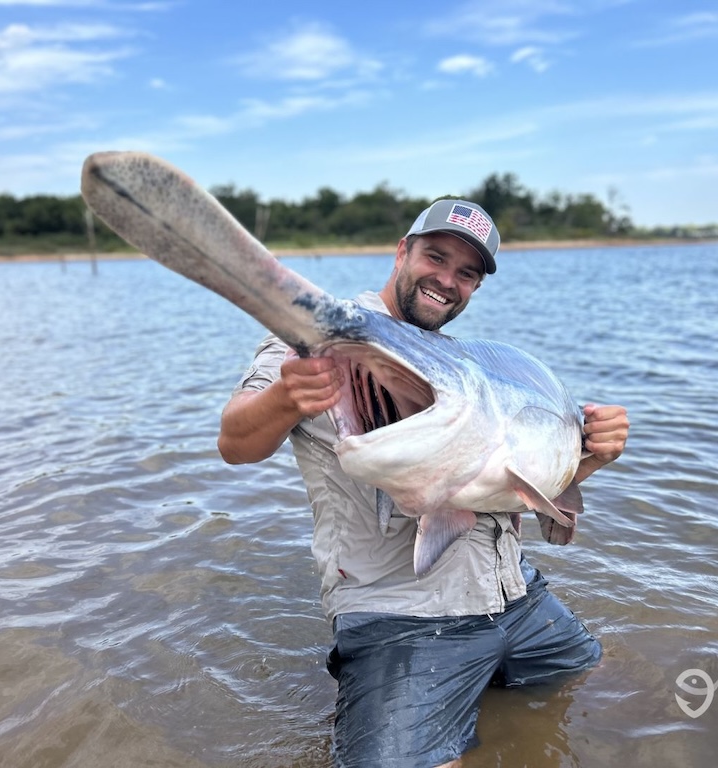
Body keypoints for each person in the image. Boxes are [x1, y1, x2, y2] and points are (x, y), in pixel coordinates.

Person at [217, 198, 630, 768]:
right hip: (404, 617)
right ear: (401, 252)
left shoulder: (465, 362)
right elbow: (235, 444)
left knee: (608, 689)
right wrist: (286, 397)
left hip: (513, 596)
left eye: (467, 273)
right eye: (435, 257)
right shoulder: (317, 339)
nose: (447, 281)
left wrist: (589, 457)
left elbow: (513, 492)